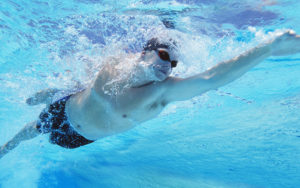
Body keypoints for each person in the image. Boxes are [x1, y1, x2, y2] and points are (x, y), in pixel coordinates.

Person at [1, 30, 300, 159]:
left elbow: (212, 78)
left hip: (77, 140)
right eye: (163, 55)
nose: (168, 66)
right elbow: (83, 79)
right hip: (65, 109)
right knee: (34, 128)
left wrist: (268, 49)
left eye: (173, 63)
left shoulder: (162, 92)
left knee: (45, 131)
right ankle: (6, 146)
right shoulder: (112, 63)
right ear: (143, 54)